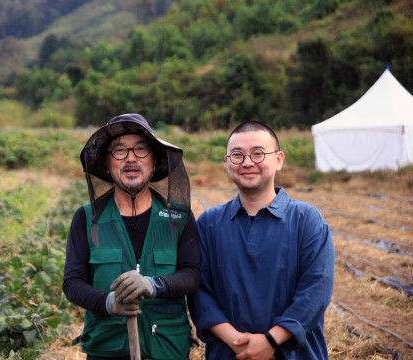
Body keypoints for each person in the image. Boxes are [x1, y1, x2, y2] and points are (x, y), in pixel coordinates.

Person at [188, 121, 335, 360]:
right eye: (237, 155)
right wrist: (238, 342)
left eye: (258, 153)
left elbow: (316, 291)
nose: (247, 162)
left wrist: (271, 340)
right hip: (229, 353)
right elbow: (200, 292)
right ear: (228, 163)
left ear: (278, 160)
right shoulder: (209, 224)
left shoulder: (307, 220)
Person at [63, 113, 201, 360]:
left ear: (154, 160)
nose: (130, 159)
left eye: (141, 149)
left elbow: (192, 274)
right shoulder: (86, 218)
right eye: (119, 150)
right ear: (107, 164)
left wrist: (154, 284)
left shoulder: (179, 218)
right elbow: (72, 283)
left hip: (167, 347)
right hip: (107, 348)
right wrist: (107, 302)